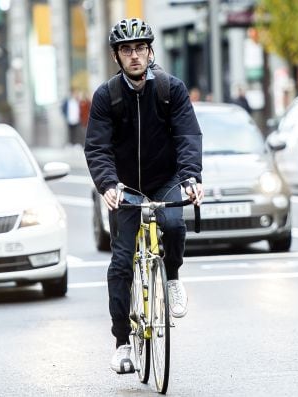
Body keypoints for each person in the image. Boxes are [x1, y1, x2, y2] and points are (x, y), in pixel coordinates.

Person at [84, 18, 204, 374]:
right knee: (121, 263)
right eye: (126, 50)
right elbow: (97, 147)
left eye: (139, 48)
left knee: (174, 225)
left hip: (164, 178)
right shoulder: (107, 96)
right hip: (126, 187)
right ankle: (122, 342)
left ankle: (173, 278)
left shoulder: (171, 89)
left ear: (150, 51)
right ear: (117, 57)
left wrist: (191, 178)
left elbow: (187, 136)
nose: (134, 56)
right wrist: (107, 184)